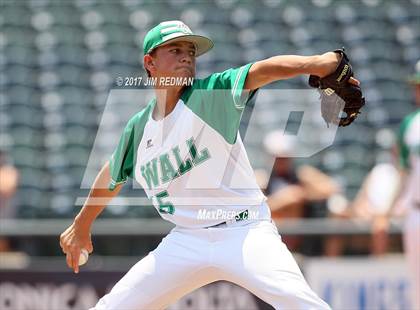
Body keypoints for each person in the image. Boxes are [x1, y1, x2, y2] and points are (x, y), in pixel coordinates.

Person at [60, 20, 360, 309]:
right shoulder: (139, 127)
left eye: (190, 52)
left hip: (245, 231)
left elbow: (262, 70)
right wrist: (82, 223)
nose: (186, 58)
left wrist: (321, 62)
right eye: (175, 51)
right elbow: (112, 172)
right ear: (150, 63)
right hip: (186, 239)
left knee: (301, 304)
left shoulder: (210, 96)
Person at [379, 60, 419, 309]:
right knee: (418, 283)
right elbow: (403, 175)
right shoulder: (410, 124)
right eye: (416, 86)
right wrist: (386, 210)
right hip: (416, 212)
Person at [263, 131, 340, 255]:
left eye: (284, 158)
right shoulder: (263, 178)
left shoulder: (303, 174)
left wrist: (303, 194)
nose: (281, 162)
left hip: (303, 235)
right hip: (273, 234)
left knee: (338, 207)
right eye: (277, 158)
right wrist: (284, 199)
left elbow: (332, 188)